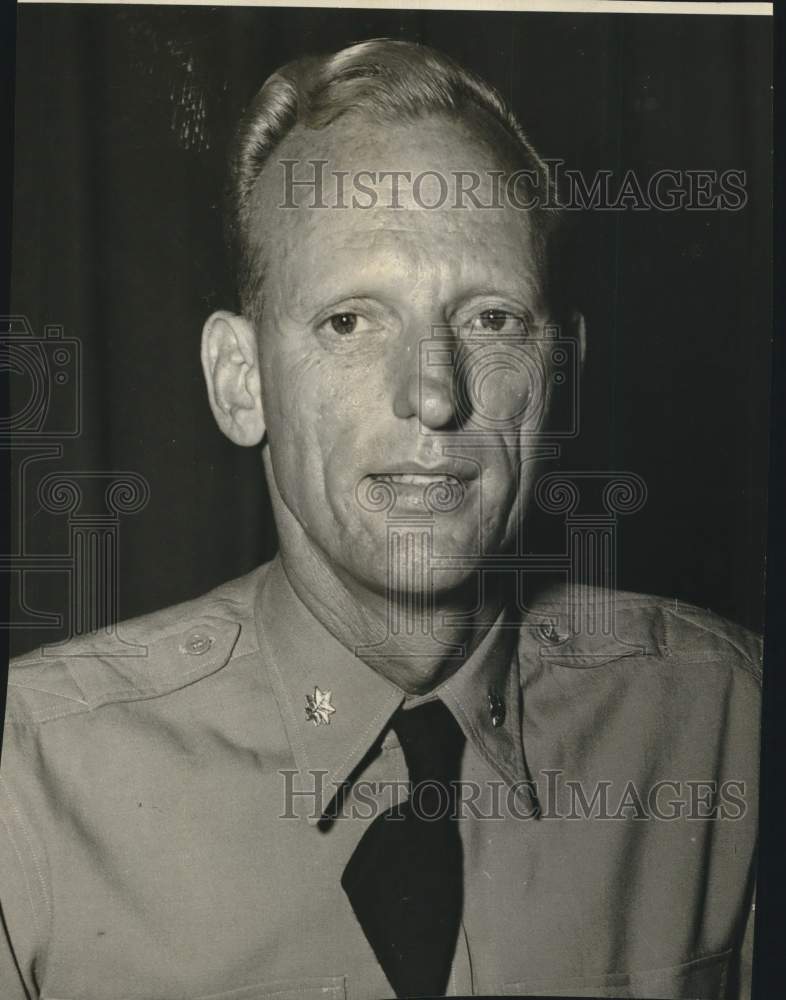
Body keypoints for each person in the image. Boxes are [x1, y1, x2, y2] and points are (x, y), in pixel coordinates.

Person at [0, 39, 759, 1000]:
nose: (435, 395)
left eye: (491, 320)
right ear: (240, 384)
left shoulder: (728, 727)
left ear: (558, 374)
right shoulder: (29, 781)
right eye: (350, 323)